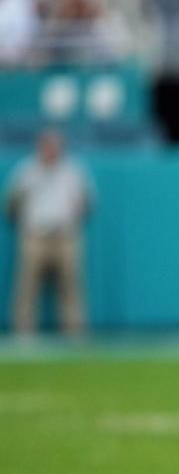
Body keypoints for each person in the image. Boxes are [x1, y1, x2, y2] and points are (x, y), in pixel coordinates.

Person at [4, 130, 93, 334]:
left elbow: (88, 202)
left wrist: (79, 212)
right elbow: (11, 203)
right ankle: (23, 332)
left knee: (70, 284)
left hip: (65, 235)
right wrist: (23, 225)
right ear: (40, 147)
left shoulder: (73, 171)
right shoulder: (27, 171)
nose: (52, 150)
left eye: (56, 146)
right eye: (48, 146)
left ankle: (75, 332)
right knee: (27, 284)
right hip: (35, 235)